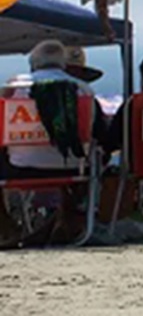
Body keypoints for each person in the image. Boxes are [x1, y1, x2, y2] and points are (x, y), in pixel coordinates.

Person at [0, 41, 104, 247]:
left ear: (33, 65)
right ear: (63, 65)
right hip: (74, 169)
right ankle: (64, 222)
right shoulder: (83, 91)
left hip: (20, 168)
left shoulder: (14, 88)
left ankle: (5, 227)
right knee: (87, 157)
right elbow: (99, 135)